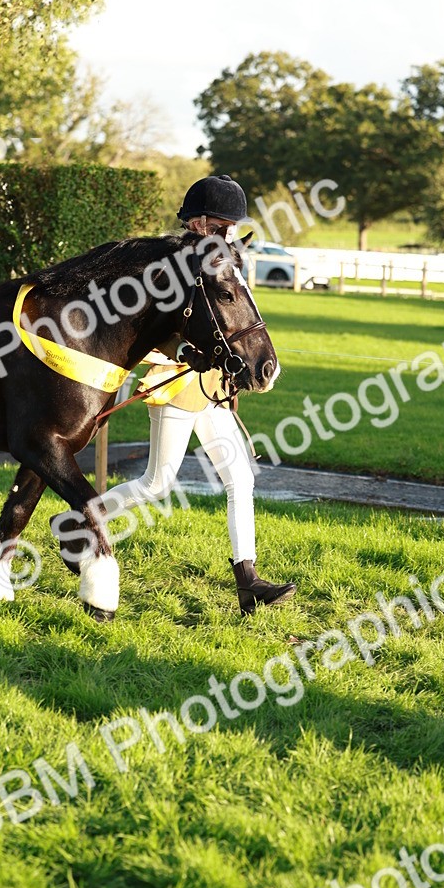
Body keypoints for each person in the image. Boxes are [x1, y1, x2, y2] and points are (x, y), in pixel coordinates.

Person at [90, 175, 297, 615]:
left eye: (234, 228)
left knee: (240, 478)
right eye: (223, 227)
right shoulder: (167, 267)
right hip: (180, 386)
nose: (230, 235)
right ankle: (80, 520)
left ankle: (248, 580)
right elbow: (142, 329)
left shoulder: (222, 261)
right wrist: (184, 350)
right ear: (199, 224)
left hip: (213, 389)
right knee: (157, 483)